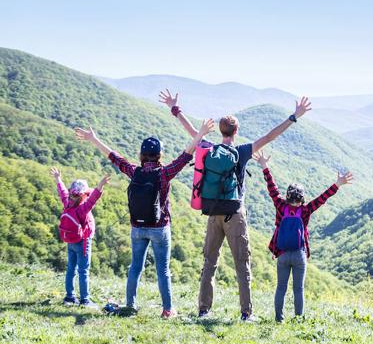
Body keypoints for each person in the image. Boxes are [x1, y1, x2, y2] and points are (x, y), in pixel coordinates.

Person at [158, 89, 312, 321]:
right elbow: (270, 137)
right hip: (235, 214)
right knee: (242, 263)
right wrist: (294, 116)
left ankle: (203, 310)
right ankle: (245, 312)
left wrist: (175, 108)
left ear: (220, 131)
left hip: (212, 211)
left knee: (209, 261)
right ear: (236, 131)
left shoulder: (209, 147)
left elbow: (192, 132)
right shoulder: (241, 152)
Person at [75, 118, 215, 318]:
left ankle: (130, 305)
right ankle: (167, 310)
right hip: (160, 228)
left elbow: (115, 158)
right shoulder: (164, 173)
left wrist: (93, 139)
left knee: (135, 267)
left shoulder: (135, 172)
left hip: (137, 228)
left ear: (141, 155)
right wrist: (200, 134)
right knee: (163, 271)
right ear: (159, 155)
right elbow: (186, 156)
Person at [253, 150, 353, 322]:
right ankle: (298, 320)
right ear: (302, 198)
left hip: (282, 253)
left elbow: (272, 188)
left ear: (287, 196)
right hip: (299, 253)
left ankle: (279, 319)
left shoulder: (280, 205)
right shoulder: (306, 210)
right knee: (298, 289)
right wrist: (338, 184)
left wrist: (264, 165)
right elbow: (323, 198)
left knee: (281, 288)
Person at [50, 167, 111, 309]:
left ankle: (69, 297)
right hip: (83, 242)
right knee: (83, 271)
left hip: (70, 241)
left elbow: (63, 192)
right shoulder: (83, 208)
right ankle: (85, 300)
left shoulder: (67, 203)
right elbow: (94, 198)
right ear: (83, 195)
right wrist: (100, 185)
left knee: (71, 268)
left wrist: (58, 178)